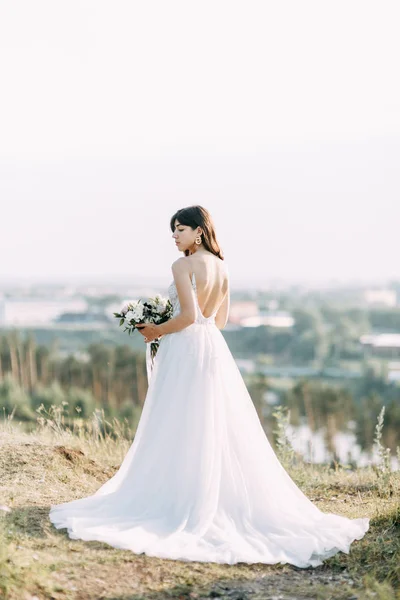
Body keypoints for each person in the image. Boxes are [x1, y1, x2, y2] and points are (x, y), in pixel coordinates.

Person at [49, 205, 369, 567]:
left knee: (179, 420)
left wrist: (155, 330)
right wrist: (185, 326)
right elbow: (219, 320)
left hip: (186, 348)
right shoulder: (222, 266)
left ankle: (179, 496)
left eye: (180, 230)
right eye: (173, 231)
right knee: (213, 421)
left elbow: (186, 317)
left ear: (199, 231)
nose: (175, 236)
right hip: (213, 348)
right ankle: (208, 493)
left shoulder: (182, 266)